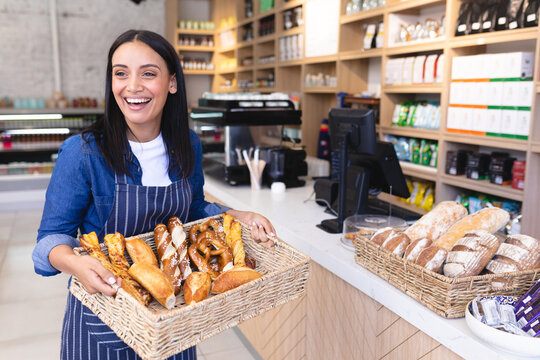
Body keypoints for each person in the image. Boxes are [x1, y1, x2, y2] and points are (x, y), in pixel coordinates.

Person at [32, 29, 275, 360]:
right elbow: (50, 239)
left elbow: (192, 209)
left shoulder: (186, 144)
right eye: (121, 73)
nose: (132, 86)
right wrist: (76, 263)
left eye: (148, 73)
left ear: (172, 83)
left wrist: (239, 216)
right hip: (106, 316)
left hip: (171, 317)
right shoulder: (83, 152)